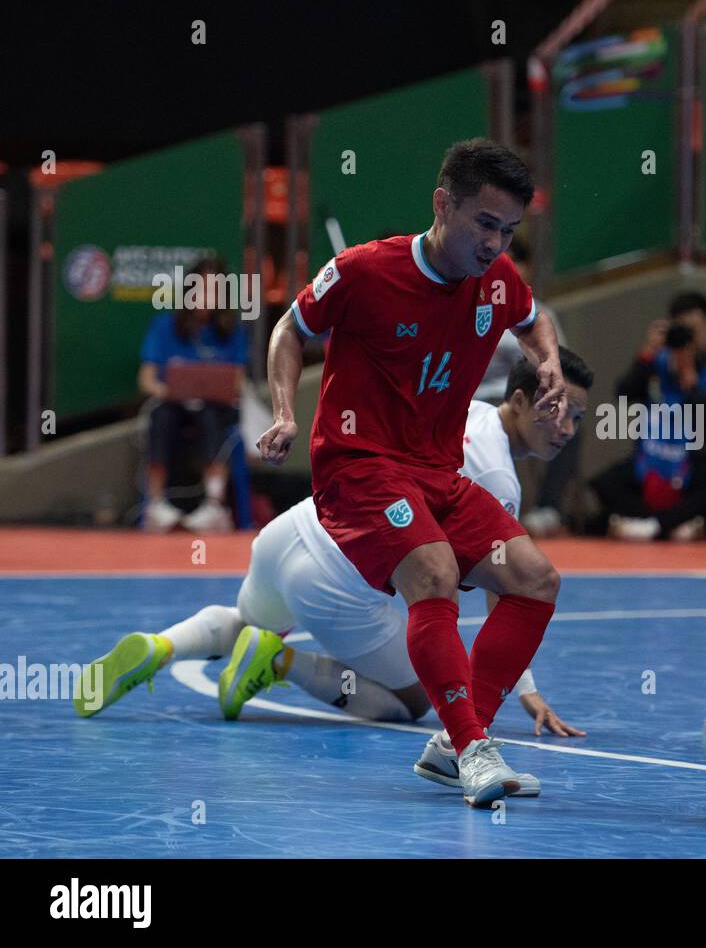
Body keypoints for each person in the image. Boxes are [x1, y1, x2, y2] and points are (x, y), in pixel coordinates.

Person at [74, 351, 594, 797]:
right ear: (520, 400)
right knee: (413, 703)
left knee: (248, 618)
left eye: (577, 417)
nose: (567, 429)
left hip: (290, 532)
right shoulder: (500, 478)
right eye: (558, 411)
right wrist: (522, 686)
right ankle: (280, 661)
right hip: (336, 582)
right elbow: (503, 593)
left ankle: (161, 646)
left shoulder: (463, 410)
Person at [256, 138, 565, 808]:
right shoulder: (365, 270)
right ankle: (474, 745)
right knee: (434, 573)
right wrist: (285, 412)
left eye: (509, 231)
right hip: (359, 466)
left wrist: (552, 365)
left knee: (536, 579)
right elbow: (290, 329)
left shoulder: (498, 280)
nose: (495, 243)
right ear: (442, 204)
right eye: (485, 224)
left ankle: (454, 750)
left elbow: (534, 321)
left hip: (437, 473)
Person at [589, 290, 706, 541]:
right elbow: (623, 393)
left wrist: (690, 380)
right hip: (649, 461)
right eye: (680, 331)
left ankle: (646, 524)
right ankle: (673, 525)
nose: (686, 339)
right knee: (604, 483)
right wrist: (646, 353)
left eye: (692, 331)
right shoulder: (657, 362)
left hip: (689, 463)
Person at [472, 239, 576, 537]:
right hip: (478, 401)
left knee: (570, 422)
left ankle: (548, 508)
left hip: (528, 400)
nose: (510, 265)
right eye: (504, 259)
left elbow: (562, 367)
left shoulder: (541, 316)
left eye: (517, 259)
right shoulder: (474, 307)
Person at [138, 256, 249, 533]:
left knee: (211, 417)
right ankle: (155, 504)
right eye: (200, 289)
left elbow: (237, 383)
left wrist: (213, 389)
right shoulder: (165, 325)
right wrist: (173, 390)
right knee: (160, 416)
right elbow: (146, 379)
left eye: (213, 290)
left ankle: (214, 505)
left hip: (215, 408)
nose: (205, 297)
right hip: (173, 405)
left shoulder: (231, 331)